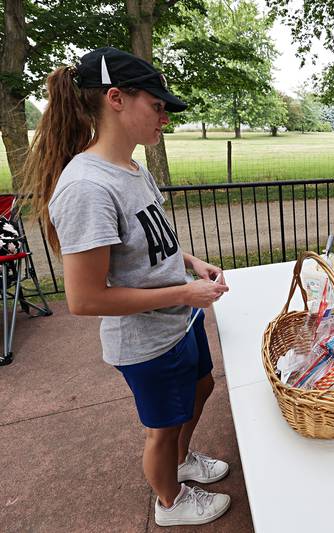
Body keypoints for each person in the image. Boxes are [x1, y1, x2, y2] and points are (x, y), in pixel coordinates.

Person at [21, 48, 232, 526]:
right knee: (162, 427)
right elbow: (85, 299)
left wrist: (191, 263)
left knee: (201, 387)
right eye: (157, 105)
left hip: (180, 323)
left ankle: (181, 463)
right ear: (116, 98)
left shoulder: (134, 168)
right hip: (146, 341)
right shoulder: (87, 186)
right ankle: (170, 502)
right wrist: (183, 293)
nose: (164, 117)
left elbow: (156, 242)